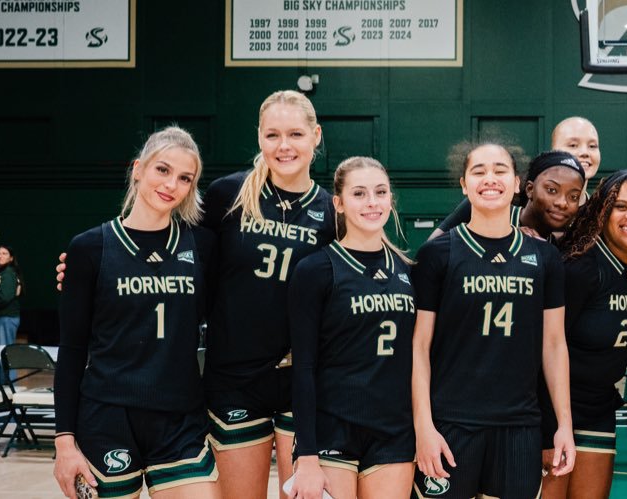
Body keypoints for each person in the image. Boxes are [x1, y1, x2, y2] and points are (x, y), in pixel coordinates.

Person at [51, 127, 219, 499]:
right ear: (138, 169)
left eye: (184, 178)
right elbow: (73, 350)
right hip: (106, 417)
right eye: (162, 170)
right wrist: (64, 443)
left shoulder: (201, 246)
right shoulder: (90, 248)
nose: (171, 184)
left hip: (180, 419)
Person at [411, 136, 575, 499]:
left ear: (517, 184)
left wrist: (563, 425)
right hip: (451, 423)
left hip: (518, 427)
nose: (490, 178)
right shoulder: (438, 253)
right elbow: (419, 347)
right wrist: (423, 427)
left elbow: (553, 345)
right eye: (478, 171)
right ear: (464, 184)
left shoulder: (544, 258)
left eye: (500, 170)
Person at [201, 90, 336, 499]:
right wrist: (93, 268)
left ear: (316, 135)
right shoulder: (227, 195)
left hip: (304, 378)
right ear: (259, 137)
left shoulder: (332, 211)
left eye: (295, 133)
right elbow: (175, 255)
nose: (284, 146)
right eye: (272, 135)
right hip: (235, 377)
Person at [287, 157, 417, 499]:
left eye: (380, 192)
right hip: (332, 428)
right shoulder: (315, 269)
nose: (372, 202)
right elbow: (302, 367)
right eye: (359, 193)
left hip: (393, 431)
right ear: (339, 203)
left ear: (391, 200)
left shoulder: (407, 271)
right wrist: (307, 456)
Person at [540, 170, 627, 499]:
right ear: (603, 211)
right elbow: (542, 351)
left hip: (598, 408)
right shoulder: (580, 269)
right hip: (551, 410)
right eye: (621, 206)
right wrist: (548, 429)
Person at [429, 117, 602, 239]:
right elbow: (433, 247)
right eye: (572, 145)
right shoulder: (497, 198)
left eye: (592, 146)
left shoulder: (598, 211)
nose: (584, 152)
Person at [430, 150, 585, 242]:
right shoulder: (484, 207)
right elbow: (429, 251)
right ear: (530, 189)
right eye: (552, 190)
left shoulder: (558, 246)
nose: (562, 203)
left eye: (574, 197)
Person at [0, 245, 22, 381]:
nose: (0, 256)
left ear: (11, 257)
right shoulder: (0, 272)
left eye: (4, 253)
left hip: (6, 318)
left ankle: (10, 390)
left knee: (5, 356)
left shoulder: (8, 273)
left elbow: (5, 296)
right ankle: (0, 390)